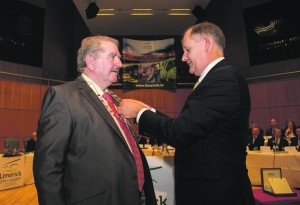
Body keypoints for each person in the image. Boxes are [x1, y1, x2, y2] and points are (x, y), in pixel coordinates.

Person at [118, 22, 255, 205]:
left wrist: (140, 113)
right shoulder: (216, 79)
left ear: (206, 44)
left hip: (217, 195)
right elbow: (188, 126)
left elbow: (180, 132)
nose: (183, 58)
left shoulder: (223, 79)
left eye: (187, 50)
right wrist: (149, 110)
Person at [33, 36, 156, 205]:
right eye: (112, 56)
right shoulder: (63, 97)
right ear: (90, 62)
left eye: (119, 57)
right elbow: (47, 169)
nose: (120, 63)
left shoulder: (113, 100)